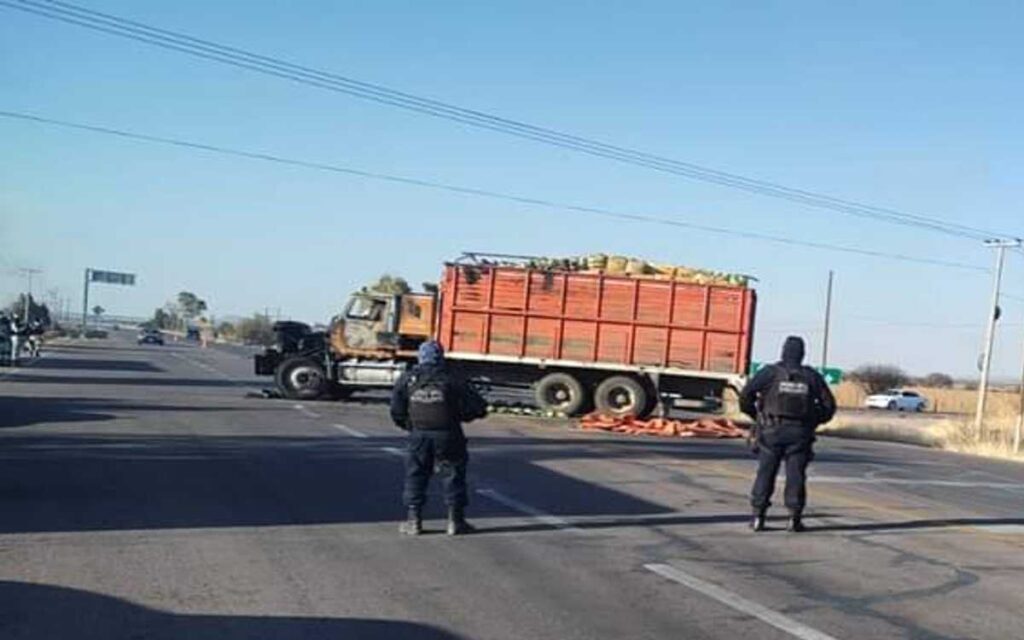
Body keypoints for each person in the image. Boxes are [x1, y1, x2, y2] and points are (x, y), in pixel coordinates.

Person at [390, 340, 488, 536]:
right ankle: (455, 521)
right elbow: (478, 407)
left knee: (416, 475)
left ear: (420, 357)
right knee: (453, 475)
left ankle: (414, 521)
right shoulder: (452, 379)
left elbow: (396, 411)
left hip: (419, 435)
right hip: (449, 433)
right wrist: (460, 416)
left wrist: (411, 426)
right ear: (441, 357)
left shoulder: (407, 379)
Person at [741, 336, 836, 533]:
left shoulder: (769, 373)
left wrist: (757, 416)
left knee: (765, 472)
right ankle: (794, 517)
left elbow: (746, 395)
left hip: (771, 430)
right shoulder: (811, 377)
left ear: (783, 351)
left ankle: (758, 516)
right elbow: (829, 406)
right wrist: (812, 422)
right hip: (800, 433)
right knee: (796, 475)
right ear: (802, 354)